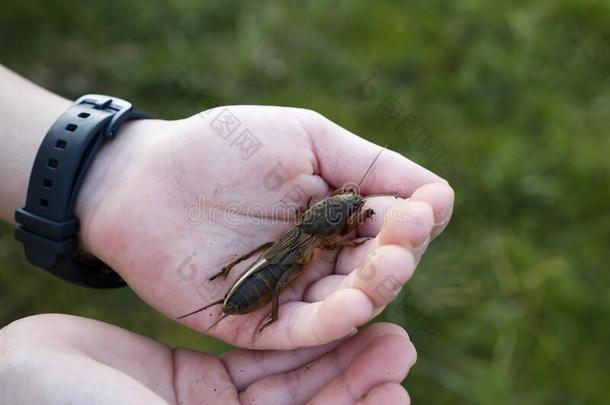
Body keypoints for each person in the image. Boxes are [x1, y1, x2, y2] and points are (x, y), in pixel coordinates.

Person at [0, 64, 454, 404]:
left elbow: (332, 230)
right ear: (328, 218)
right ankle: (255, 307)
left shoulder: (309, 225)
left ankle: (236, 291)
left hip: (268, 260)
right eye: (347, 205)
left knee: (275, 270)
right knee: (277, 278)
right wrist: (356, 236)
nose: (350, 205)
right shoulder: (323, 237)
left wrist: (104, 175)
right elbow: (342, 237)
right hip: (266, 273)